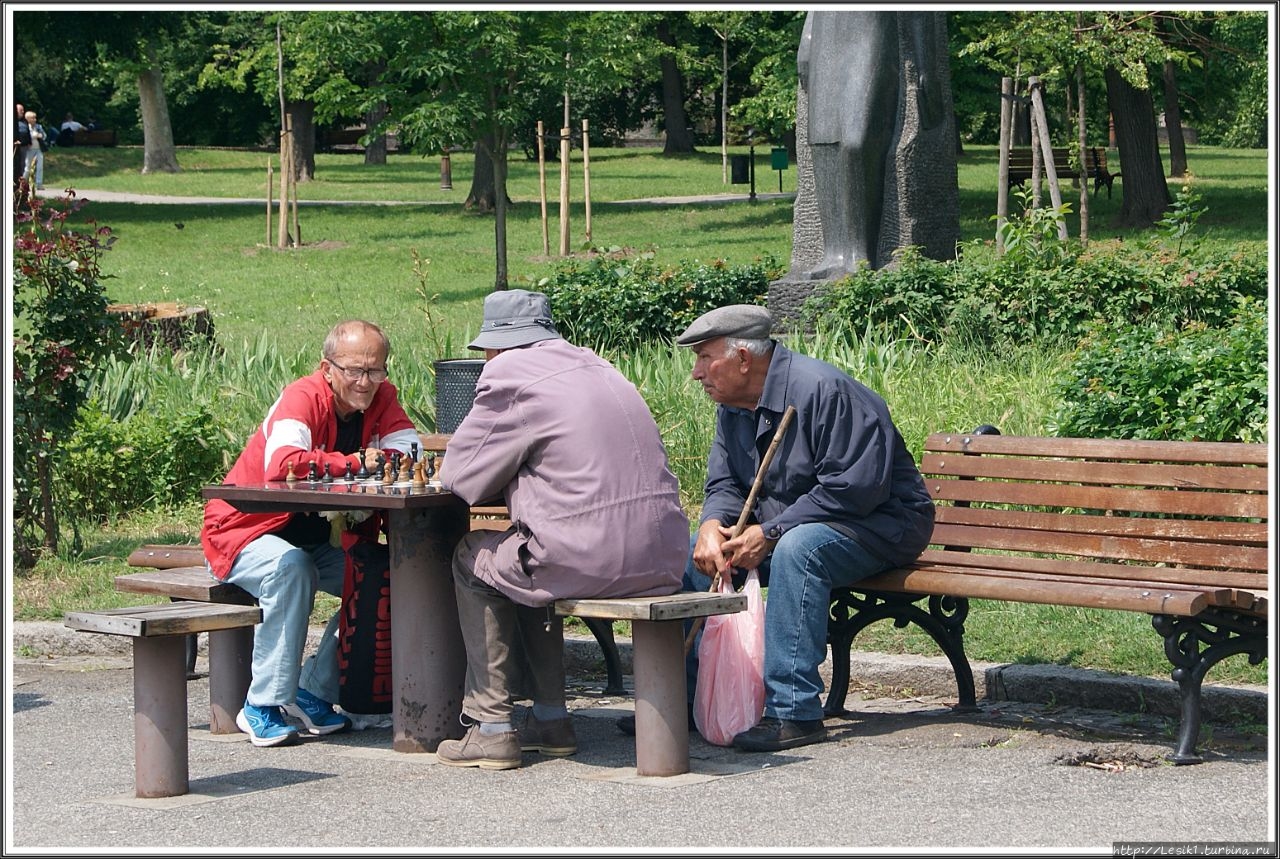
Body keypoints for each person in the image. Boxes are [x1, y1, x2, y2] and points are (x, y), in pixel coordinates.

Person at [436, 289, 689, 770]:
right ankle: (552, 721)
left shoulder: (510, 376)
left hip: (590, 555)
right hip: (662, 552)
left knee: (474, 556)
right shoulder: (596, 364)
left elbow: (460, 476)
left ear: (497, 346)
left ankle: (491, 728)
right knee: (520, 558)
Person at [670, 304, 935, 752]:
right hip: (795, 524)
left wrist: (770, 532)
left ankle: (794, 712)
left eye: (704, 358)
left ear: (742, 359)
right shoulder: (734, 405)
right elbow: (725, 482)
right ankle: (688, 704)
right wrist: (714, 525)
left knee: (800, 550)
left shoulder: (824, 390)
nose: (697, 374)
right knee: (697, 556)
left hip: (881, 525)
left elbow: (855, 489)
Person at [200, 319, 421, 747]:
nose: (366, 382)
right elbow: (283, 463)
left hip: (316, 538)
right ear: (327, 368)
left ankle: (311, 690)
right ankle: (261, 705)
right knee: (292, 568)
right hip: (243, 530)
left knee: (382, 573)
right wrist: (358, 463)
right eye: (354, 370)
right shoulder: (302, 396)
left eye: (376, 370)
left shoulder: (383, 397)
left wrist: (365, 461)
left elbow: (408, 452)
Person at [22, 110, 46, 189]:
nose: (35, 119)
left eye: (35, 118)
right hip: (29, 150)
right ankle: (23, 183)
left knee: (39, 167)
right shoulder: (25, 127)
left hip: (38, 149)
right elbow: (25, 137)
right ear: (28, 119)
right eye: (33, 118)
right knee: (27, 167)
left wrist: (40, 135)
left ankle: (39, 184)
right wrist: (33, 136)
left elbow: (44, 136)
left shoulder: (38, 127)